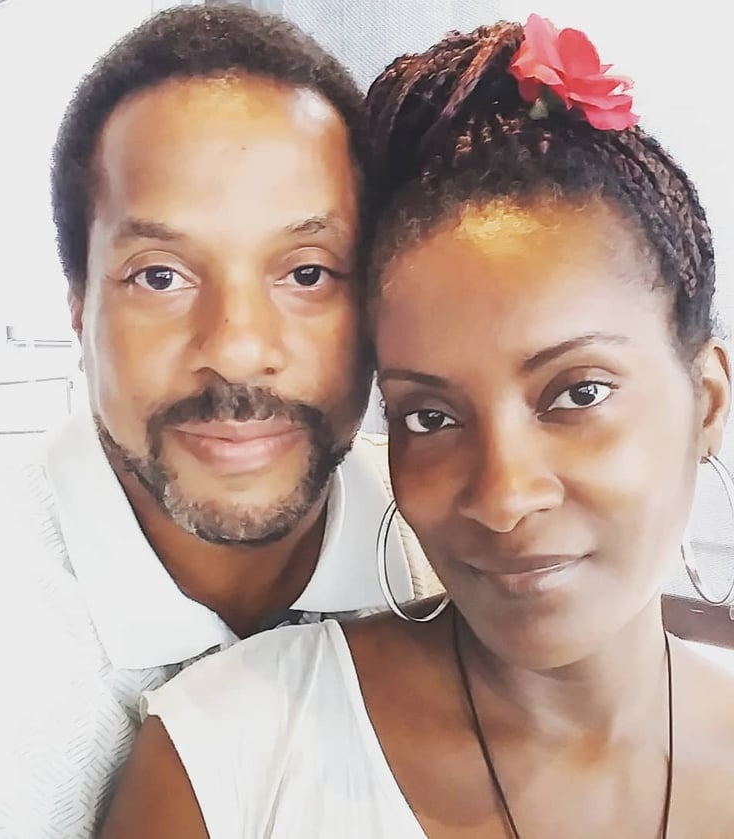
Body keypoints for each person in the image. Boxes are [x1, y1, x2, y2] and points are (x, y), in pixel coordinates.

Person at [102, 14, 734, 839]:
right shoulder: (226, 762)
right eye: (430, 416)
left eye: (577, 393)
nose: (504, 496)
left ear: (707, 401)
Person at [0, 5, 438, 837]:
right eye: (160, 276)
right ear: (78, 303)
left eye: (307, 272)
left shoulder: (460, 560)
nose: (238, 350)